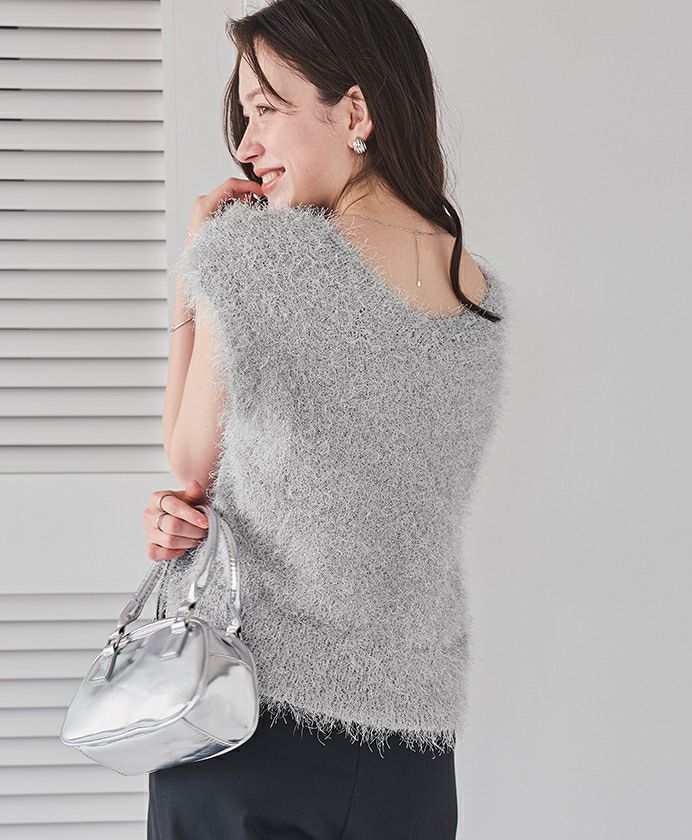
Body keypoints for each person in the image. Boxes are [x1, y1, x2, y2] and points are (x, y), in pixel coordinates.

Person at [144, 1, 511, 838]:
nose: (246, 145)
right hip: (411, 745)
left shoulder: (250, 255)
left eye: (265, 109)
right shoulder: (479, 292)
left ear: (355, 111)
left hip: (247, 720)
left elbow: (189, 458)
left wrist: (196, 272)